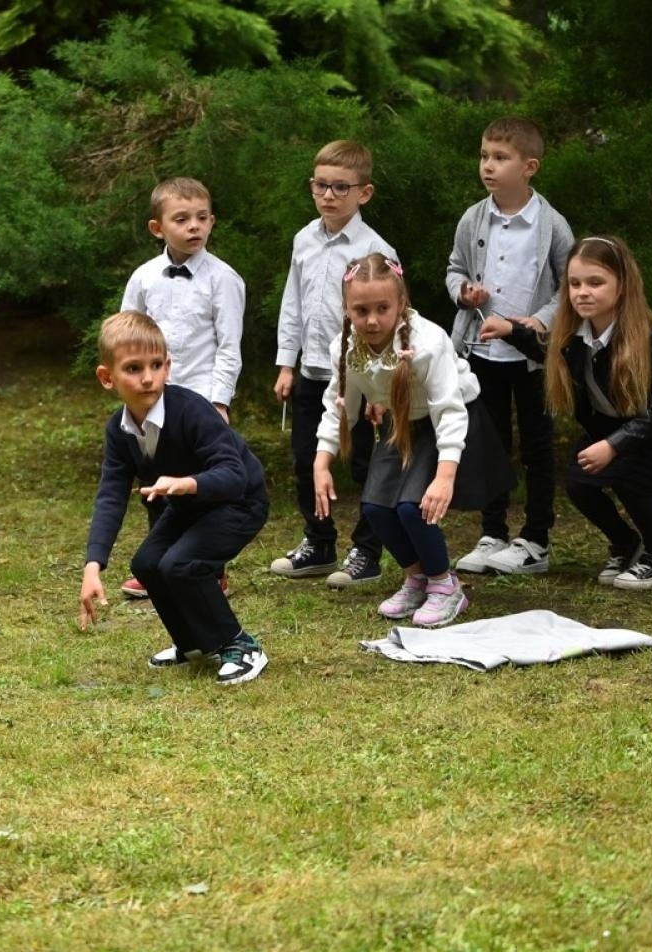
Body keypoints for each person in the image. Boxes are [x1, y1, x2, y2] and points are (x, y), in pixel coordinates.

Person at [480, 235, 652, 589]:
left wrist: (614, 445)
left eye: (595, 282)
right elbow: (546, 349)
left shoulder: (646, 339)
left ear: (622, 285)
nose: (582, 292)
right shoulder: (575, 336)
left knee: (627, 473)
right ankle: (625, 542)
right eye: (574, 283)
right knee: (578, 483)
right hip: (616, 434)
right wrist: (511, 330)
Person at [315, 254, 511, 627]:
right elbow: (340, 406)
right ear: (346, 309)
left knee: (412, 507)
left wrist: (445, 475)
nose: (372, 319)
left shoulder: (428, 342)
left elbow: (450, 411)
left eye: (382, 308)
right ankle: (417, 577)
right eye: (361, 310)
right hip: (401, 421)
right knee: (375, 508)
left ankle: (445, 585)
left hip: (447, 422)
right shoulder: (345, 346)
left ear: (401, 304)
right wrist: (321, 461)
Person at [79, 312, 270, 685]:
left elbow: (234, 475)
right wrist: (92, 565)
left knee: (181, 564)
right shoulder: (119, 432)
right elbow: (111, 495)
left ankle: (241, 645)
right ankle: (194, 643)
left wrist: (187, 483)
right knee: (148, 564)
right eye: (133, 368)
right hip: (190, 506)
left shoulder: (191, 410)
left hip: (239, 501)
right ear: (107, 377)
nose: (148, 377)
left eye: (156, 365)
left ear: (168, 366)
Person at [445, 117, 574, 577]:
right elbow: (455, 269)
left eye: (501, 158)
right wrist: (464, 293)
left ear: (530, 166)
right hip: (483, 354)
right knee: (490, 443)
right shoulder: (474, 218)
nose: (488, 166)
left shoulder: (552, 226)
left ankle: (537, 539)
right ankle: (492, 532)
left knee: (537, 448)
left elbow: (569, 289)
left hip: (533, 359)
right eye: (484, 156)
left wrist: (536, 321)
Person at [272, 140, 398, 589]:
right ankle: (318, 541)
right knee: (307, 458)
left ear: (363, 193)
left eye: (340, 187)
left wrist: (381, 389)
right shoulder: (304, 239)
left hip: (362, 379)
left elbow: (391, 322)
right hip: (312, 373)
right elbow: (294, 303)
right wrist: (287, 364)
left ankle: (367, 550)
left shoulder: (376, 250)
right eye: (321, 186)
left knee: (366, 464)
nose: (329, 195)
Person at [117, 176, 246, 599]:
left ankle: (210, 568)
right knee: (155, 481)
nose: (195, 227)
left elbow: (229, 346)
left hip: (200, 402)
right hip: (153, 397)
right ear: (158, 228)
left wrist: (219, 402)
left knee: (202, 486)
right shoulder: (144, 278)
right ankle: (157, 562)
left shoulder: (223, 279)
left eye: (202, 218)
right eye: (182, 219)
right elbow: (125, 334)